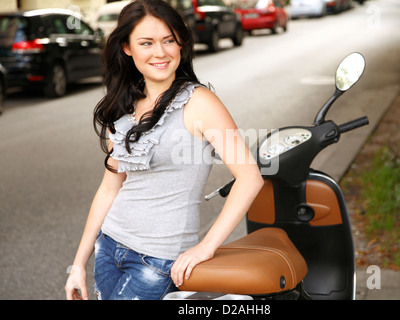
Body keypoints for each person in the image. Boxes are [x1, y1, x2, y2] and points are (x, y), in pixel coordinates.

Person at [65, 0, 263, 300]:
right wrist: (79, 262)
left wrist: (206, 247)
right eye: (146, 43)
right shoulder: (123, 106)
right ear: (127, 48)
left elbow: (250, 178)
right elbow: (109, 189)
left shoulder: (199, 103)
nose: (160, 52)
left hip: (158, 260)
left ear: (181, 44)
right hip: (109, 247)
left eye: (169, 40)